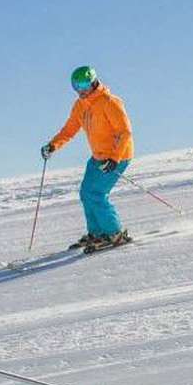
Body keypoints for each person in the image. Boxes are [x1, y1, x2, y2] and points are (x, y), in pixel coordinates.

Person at [40, 65, 135, 250]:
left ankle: (114, 233)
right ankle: (97, 233)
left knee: (96, 194)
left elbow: (125, 132)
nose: (81, 90)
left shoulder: (109, 102)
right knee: (86, 193)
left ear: (93, 81)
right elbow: (69, 130)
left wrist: (114, 158)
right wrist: (53, 145)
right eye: (76, 86)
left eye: (84, 84)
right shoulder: (79, 106)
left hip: (118, 156)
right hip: (98, 157)